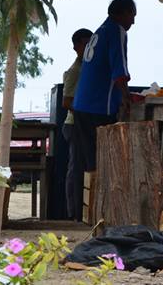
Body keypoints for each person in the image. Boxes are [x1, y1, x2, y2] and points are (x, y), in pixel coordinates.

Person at [72, 0, 136, 173]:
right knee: (104, 164)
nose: (133, 22)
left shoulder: (99, 31)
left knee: (88, 165)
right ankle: (100, 200)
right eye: (132, 15)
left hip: (81, 106)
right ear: (124, 13)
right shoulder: (117, 31)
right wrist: (126, 98)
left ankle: (88, 200)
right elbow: (120, 72)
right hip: (99, 108)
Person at [61, 28, 92, 220]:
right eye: (86, 44)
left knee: (87, 170)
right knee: (76, 170)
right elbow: (66, 102)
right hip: (75, 125)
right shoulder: (74, 71)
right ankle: (74, 214)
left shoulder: (91, 68)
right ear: (77, 47)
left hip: (87, 124)